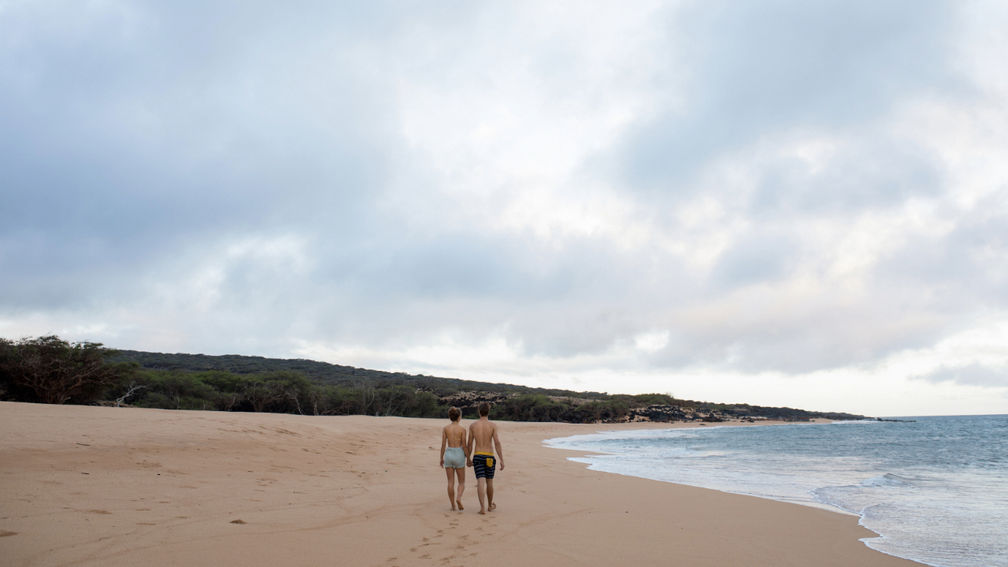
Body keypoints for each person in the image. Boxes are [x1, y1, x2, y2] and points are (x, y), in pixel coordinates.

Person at [467, 402, 504, 515]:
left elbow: (469, 444)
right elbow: (497, 442)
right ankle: (489, 505)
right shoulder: (492, 425)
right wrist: (501, 459)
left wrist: (468, 458)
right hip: (489, 456)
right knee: (490, 482)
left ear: (479, 411)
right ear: (488, 412)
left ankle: (482, 508)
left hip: (478, 455)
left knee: (480, 481)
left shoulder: (473, 426)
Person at [439, 406, 469, 511]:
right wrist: (469, 458)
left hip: (449, 454)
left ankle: (452, 505)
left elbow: (443, 445)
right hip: (459, 454)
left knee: (450, 482)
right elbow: (464, 446)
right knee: (461, 482)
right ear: (459, 417)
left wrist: (441, 458)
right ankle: (459, 498)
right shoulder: (462, 429)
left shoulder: (446, 428)